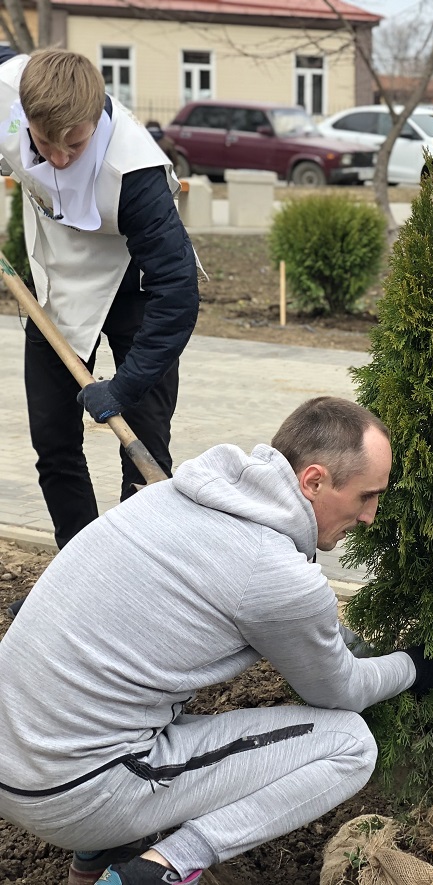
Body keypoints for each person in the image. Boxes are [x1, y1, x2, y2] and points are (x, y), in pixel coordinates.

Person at [0, 396, 433, 885]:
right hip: (70, 791)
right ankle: (159, 871)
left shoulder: (170, 497)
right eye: (366, 496)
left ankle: (95, 860)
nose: (370, 516)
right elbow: (340, 691)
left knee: (139, 703)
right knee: (349, 745)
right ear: (313, 481)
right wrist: (418, 666)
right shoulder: (273, 572)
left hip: (20, 756)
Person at [0, 48, 199, 619]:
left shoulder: (134, 174)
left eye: (76, 145)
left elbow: (178, 295)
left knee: (144, 451)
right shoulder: (11, 91)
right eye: (45, 143)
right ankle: (79, 584)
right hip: (59, 285)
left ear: (96, 123)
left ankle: (134, 597)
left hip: (138, 290)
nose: (59, 158)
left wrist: (126, 386)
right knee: (53, 443)